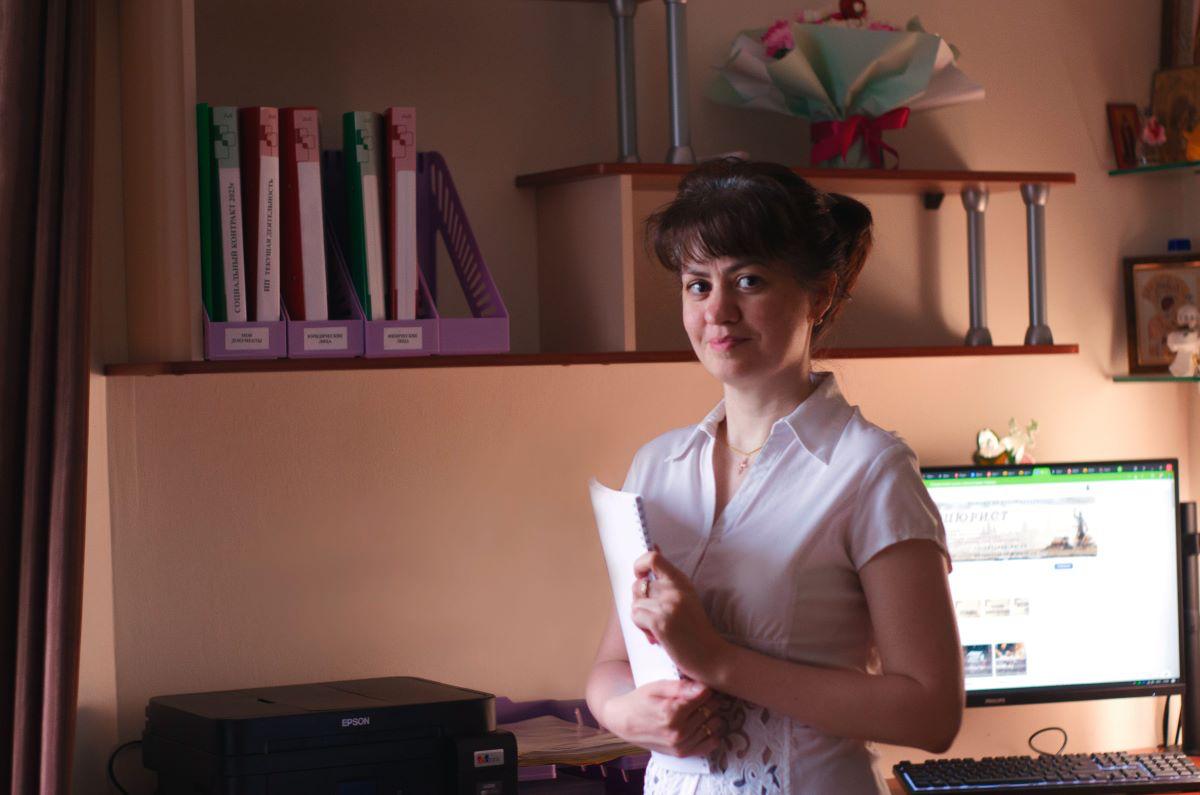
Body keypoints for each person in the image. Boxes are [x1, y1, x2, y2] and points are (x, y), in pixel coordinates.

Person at [584, 159, 964, 794]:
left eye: (748, 280)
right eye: (697, 285)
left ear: (820, 295)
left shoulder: (872, 470)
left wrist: (718, 660)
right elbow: (613, 665)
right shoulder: (656, 465)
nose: (718, 310)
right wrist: (625, 714)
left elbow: (932, 713)